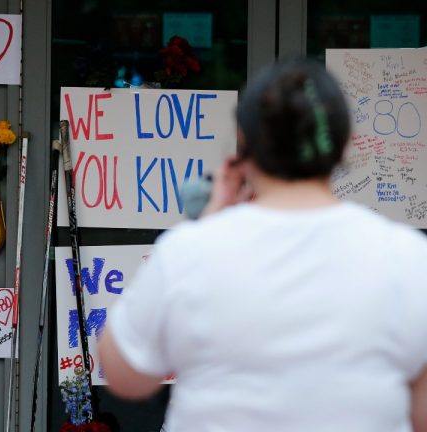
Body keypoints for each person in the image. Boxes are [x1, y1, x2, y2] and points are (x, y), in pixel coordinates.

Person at [97, 57, 427, 431]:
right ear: (345, 143)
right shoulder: (409, 257)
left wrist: (205, 224)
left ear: (242, 141)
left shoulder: (189, 252)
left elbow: (126, 377)